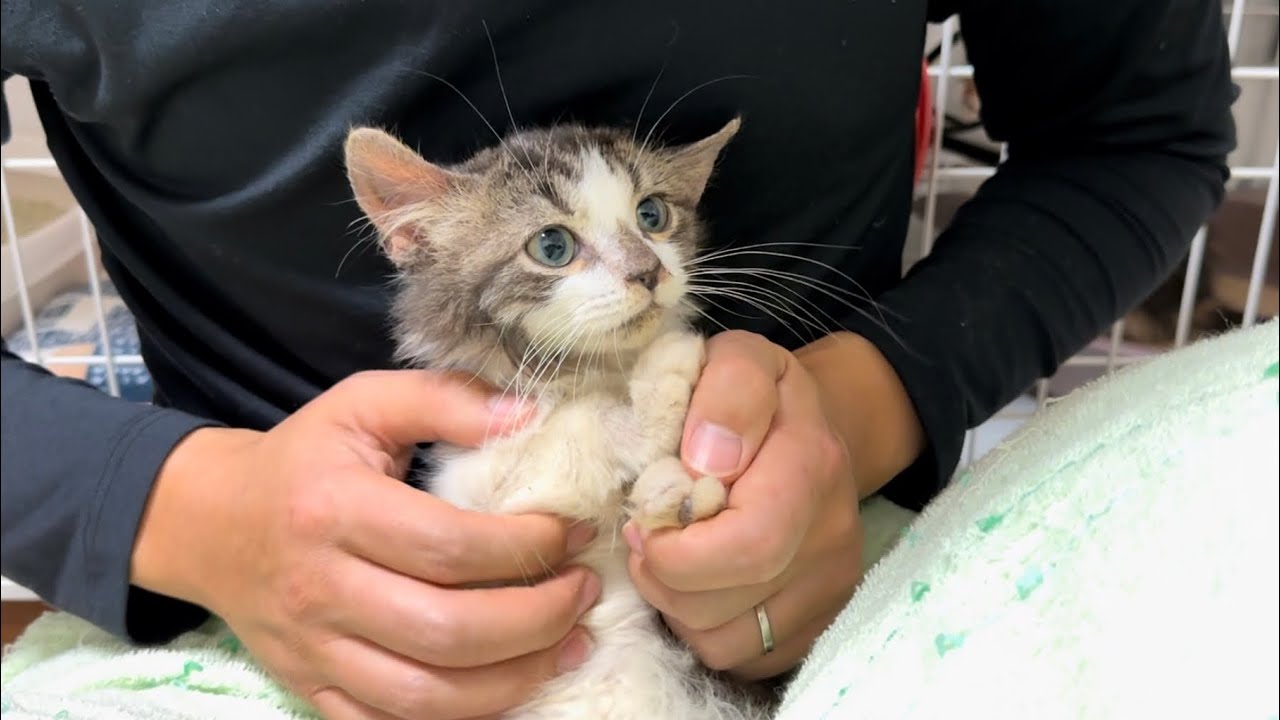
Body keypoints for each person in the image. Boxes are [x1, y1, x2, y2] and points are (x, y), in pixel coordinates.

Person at [1, 1, 1237, 719]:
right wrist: (169, 509)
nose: (642, 266)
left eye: (654, 226)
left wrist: (869, 402)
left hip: (829, 528)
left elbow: (1136, 133)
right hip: (231, 595)